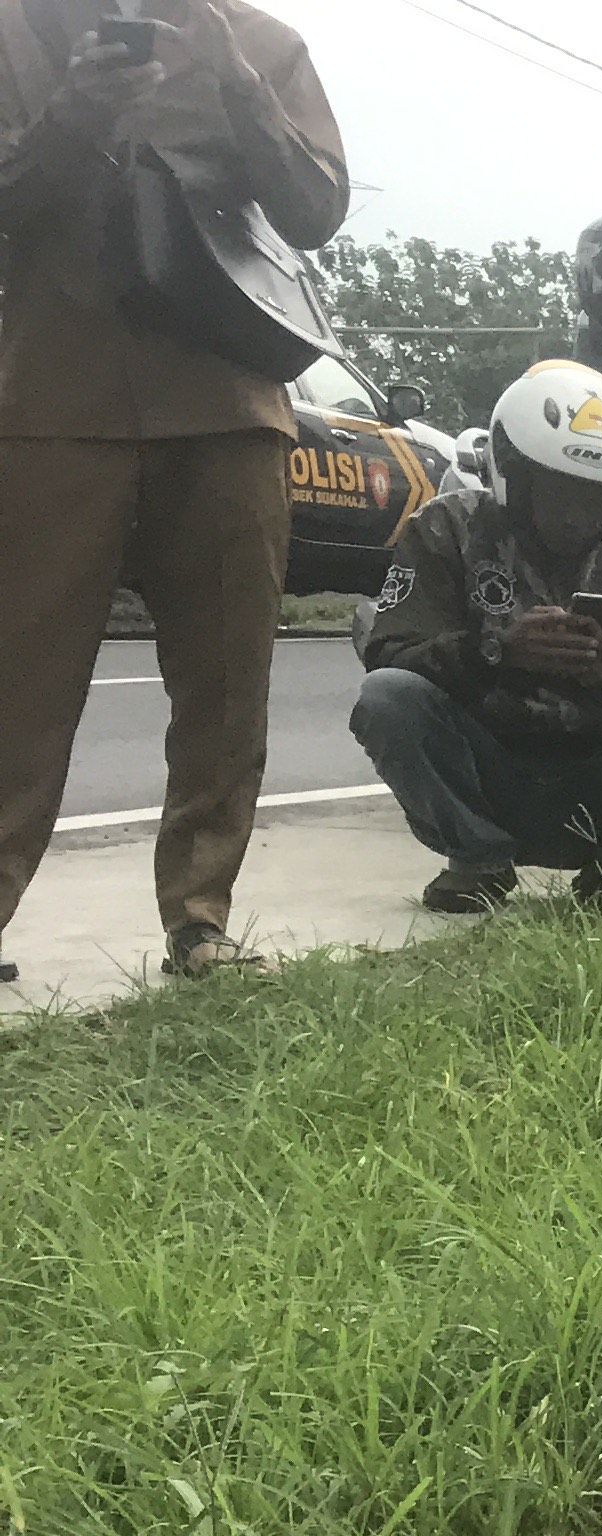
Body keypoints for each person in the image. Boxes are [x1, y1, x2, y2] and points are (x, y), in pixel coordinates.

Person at [0, 0, 347, 984]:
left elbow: (316, 209)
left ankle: (200, 923)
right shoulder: (13, 39)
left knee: (227, 686)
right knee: (17, 685)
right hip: (54, 405)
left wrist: (236, 81)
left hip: (230, 408)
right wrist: (70, 122)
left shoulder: (266, 47)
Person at [347, 360, 602, 909]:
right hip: (488, 771)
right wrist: (494, 651)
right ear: (517, 475)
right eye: (562, 491)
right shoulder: (447, 528)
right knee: (387, 699)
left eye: (598, 496)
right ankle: (479, 862)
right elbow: (389, 653)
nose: (579, 514)